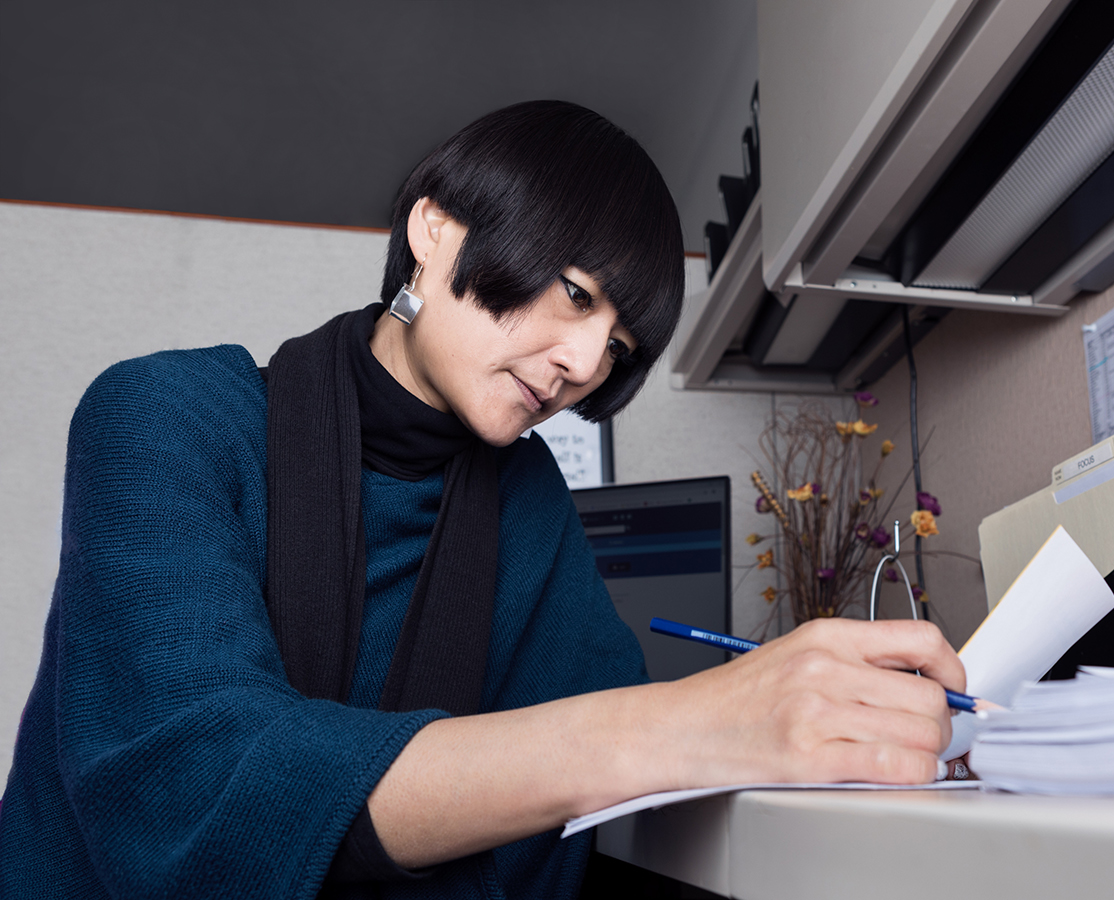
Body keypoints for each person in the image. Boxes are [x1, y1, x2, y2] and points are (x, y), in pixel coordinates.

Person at [0, 100, 965, 899]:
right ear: (434, 230)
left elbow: (584, 771)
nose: (586, 363)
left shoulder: (526, 501)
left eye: (619, 348)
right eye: (579, 295)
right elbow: (192, 787)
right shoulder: (165, 415)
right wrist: (701, 720)